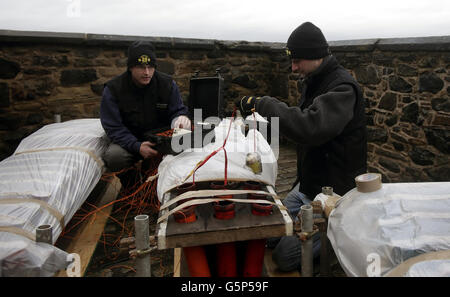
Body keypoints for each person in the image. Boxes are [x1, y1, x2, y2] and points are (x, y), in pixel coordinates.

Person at [235, 22, 367, 272]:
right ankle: (301, 229)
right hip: (307, 184)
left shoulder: (343, 87)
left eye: (297, 61)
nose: (293, 68)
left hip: (333, 194)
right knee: (266, 229)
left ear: (317, 54)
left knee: (284, 256)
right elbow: (298, 122)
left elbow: (310, 128)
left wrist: (266, 104)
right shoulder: (314, 78)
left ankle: (338, 236)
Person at [100, 41, 191, 180]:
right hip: (130, 140)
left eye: (150, 67)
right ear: (130, 67)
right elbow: (113, 126)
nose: (147, 73)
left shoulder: (167, 84)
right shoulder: (113, 89)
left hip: (160, 140)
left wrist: (181, 118)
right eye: (141, 67)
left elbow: (178, 110)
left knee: (186, 147)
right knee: (115, 156)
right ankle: (132, 188)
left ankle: (160, 182)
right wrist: (136, 146)